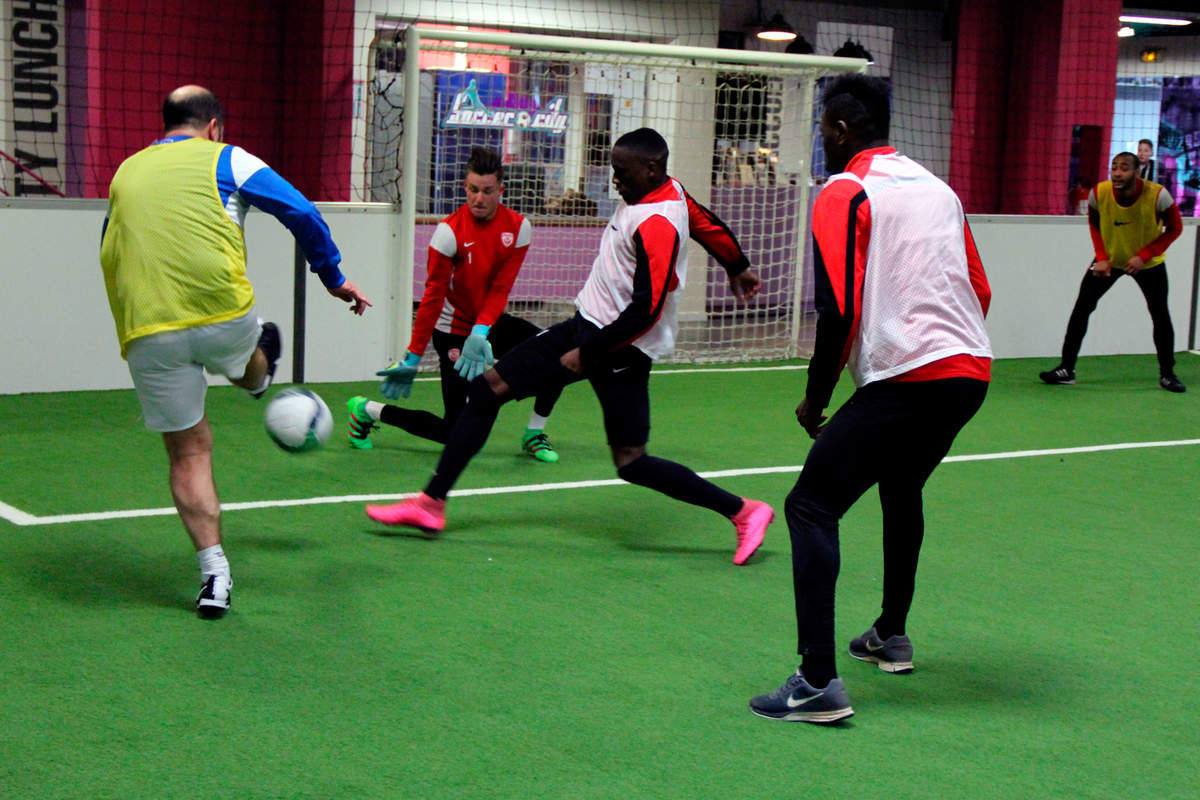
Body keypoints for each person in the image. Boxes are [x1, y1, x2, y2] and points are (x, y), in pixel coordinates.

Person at [364, 127, 775, 567]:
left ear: (652, 169)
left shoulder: (655, 224)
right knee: (488, 389)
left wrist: (589, 352)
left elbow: (647, 311)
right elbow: (706, 223)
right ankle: (431, 503)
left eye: (622, 172)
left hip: (620, 349)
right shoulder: (667, 190)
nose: (614, 180)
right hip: (587, 325)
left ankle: (744, 511)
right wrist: (738, 265)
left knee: (631, 461)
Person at [749, 74, 992, 724]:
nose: (822, 141)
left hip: (911, 379)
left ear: (841, 130)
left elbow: (838, 307)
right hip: (970, 372)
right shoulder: (939, 189)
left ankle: (816, 683)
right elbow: (979, 288)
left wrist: (815, 398)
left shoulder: (844, 190)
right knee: (901, 482)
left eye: (824, 130)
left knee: (810, 505)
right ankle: (891, 634)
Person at [99, 85, 371, 619]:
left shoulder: (125, 172)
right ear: (214, 126)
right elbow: (302, 211)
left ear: (165, 125)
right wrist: (333, 277)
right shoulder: (228, 158)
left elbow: (109, 248)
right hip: (222, 315)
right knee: (247, 368)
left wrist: (132, 326)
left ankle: (214, 577)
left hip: (148, 328)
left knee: (189, 452)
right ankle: (256, 374)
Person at [347, 148, 563, 463]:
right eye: (473, 190)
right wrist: (413, 356)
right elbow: (432, 298)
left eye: (487, 191)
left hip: (488, 323)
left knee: (555, 355)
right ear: (465, 187)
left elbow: (501, 288)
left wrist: (482, 329)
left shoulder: (518, 229)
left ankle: (534, 433)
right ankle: (366, 410)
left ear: (500, 191)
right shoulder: (448, 234)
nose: (478, 198)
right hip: (452, 332)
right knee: (455, 431)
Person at [1038, 151, 1185, 392]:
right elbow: (1095, 225)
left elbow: (1174, 229)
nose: (1117, 172)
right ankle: (1066, 369)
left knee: (1160, 315)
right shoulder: (1099, 193)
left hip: (1148, 264)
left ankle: (1168, 374)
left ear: (1136, 172)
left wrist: (1144, 256)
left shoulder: (1158, 196)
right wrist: (1103, 258)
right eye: (1114, 167)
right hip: (1110, 259)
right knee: (1082, 308)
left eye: (1124, 168)